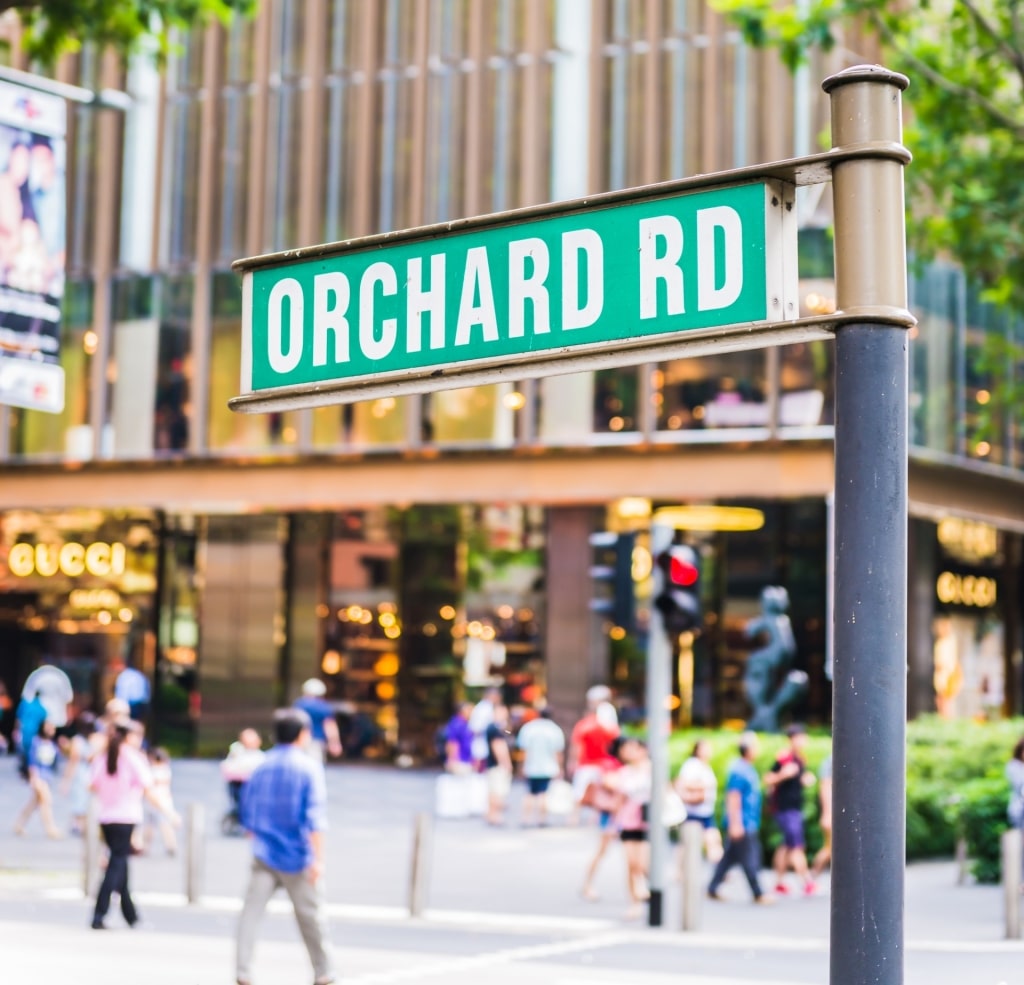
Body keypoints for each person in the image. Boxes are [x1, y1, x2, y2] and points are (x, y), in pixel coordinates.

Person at [236, 708, 335, 985]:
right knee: (311, 918)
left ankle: (243, 971)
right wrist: (318, 859)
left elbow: (247, 811)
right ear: (302, 734)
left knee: (250, 915)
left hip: (263, 853)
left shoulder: (261, 766)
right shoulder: (308, 767)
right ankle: (323, 971)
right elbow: (315, 819)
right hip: (298, 855)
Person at [90, 719, 177, 929]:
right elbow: (149, 789)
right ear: (129, 737)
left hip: (106, 817)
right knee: (116, 865)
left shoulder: (103, 756)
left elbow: (92, 785)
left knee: (120, 864)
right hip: (125, 817)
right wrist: (170, 813)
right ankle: (99, 914)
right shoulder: (132, 758)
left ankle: (131, 916)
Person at [707, 732, 774, 904]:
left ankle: (712, 888)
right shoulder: (739, 770)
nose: (758, 750)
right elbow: (733, 797)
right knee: (750, 858)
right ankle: (758, 893)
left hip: (748, 821)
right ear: (748, 749)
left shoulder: (747, 768)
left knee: (729, 857)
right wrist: (736, 824)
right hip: (743, 822)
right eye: (755, 746)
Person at [764, 723, 817, 896]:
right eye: (800, 737)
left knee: (786, 845)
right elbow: (768, 779)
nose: (803, 741)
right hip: (785, 809)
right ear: (792, 739)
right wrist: (783, 775)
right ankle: (807, 882)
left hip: (793, 807)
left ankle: (778, 882)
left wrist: (803, 778)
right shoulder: (784, 759)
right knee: (796, 846)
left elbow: (798, 778)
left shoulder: (799, 759)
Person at [607, 736, 652, 919]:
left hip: (647, 822)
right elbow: (618, 799)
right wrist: (613, 824)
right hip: (628, 821)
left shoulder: (651, 770)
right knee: (631, 864)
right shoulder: (625, 773)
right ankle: (634, 902)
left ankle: (647, 890)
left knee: (642, 864)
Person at [516, 707, 565, 827]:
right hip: (548, 767)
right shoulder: (554, 730)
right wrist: (560, 767)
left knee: (529, 793)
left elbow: (524, 750)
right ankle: (542, 820)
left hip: (531, 766)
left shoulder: (529, 728)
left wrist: (521, 766)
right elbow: (557, 752)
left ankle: (525, 819)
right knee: (544, 793)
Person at [13, 718, 62, 838]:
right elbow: (32, 761)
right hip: (38, 776)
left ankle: (19, 824)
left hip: (47, 777)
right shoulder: (36, 742)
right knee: (47, 801)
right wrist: (33, 777)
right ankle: (50, 828)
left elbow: (55, 762)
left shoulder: (52, 744)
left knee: (33, 803)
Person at [676, 738, 723, 862]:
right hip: (694, 812)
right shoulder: (692, 764)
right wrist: (703, 786)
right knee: (689, 845)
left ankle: (720, 868)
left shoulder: (705, 765)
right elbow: (683, 783)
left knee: (712, 841)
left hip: (706, 812)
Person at [61, 712, 100, 836]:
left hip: (88, 772)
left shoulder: (93, 740)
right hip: (82, 773)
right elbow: (73, 760)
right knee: (80, 798)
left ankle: (81, 824)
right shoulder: (79, 741)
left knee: (85, 799)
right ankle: (78, 824)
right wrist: (66, 781)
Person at [293, 679, 343, 762]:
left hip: (299, 741)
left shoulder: (299, 704)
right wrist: (334, 742)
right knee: (314, 766)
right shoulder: (323, 707)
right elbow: (329, 726)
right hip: (316, 742)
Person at [143, 747, 178, 856]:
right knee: (166, 825)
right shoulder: (166, 770)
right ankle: (171, 845)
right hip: (165, 800)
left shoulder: (151, 770)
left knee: (150, 825)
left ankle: (146, 846)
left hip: (153, 800)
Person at [483, 704, 513, 825]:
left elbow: (508, 732)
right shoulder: (495, 729)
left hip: (492, 764)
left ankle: (491, 814)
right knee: (497, 791)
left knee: (493, 790)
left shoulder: (495, 727)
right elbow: (498, 746)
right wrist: (505, 763)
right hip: (497, 765)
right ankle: (495, 815)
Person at [13, 689, 47, 779]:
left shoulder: (25, 704)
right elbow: (44, 723)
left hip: (24, 731)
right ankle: (30, 771)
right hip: (34, 733)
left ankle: (25, 770)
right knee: (32, 753)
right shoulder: (41, 708)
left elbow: (18, 719)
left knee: (24, 751)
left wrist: (16, 730)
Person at [811, 753, 833, 878]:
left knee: (830, 848)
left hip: (832, 814)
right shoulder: (830, 761)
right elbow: (824, 789)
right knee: (829, 849)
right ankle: (811, 877)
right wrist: (827, 813)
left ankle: (811, 878)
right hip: (830, 815)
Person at [469, 686, 502, 766]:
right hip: (481, 739)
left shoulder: (484, 706)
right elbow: (477, 728)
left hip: (482, 739)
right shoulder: (485, 707)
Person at [444, 701, 474, 773]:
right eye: (468, 709)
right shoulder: (457, 724)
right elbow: (452, 743)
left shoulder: (465, 723)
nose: (471, 712)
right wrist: (452, 759)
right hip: (460, 762)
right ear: (461, 711)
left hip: (465, 761)